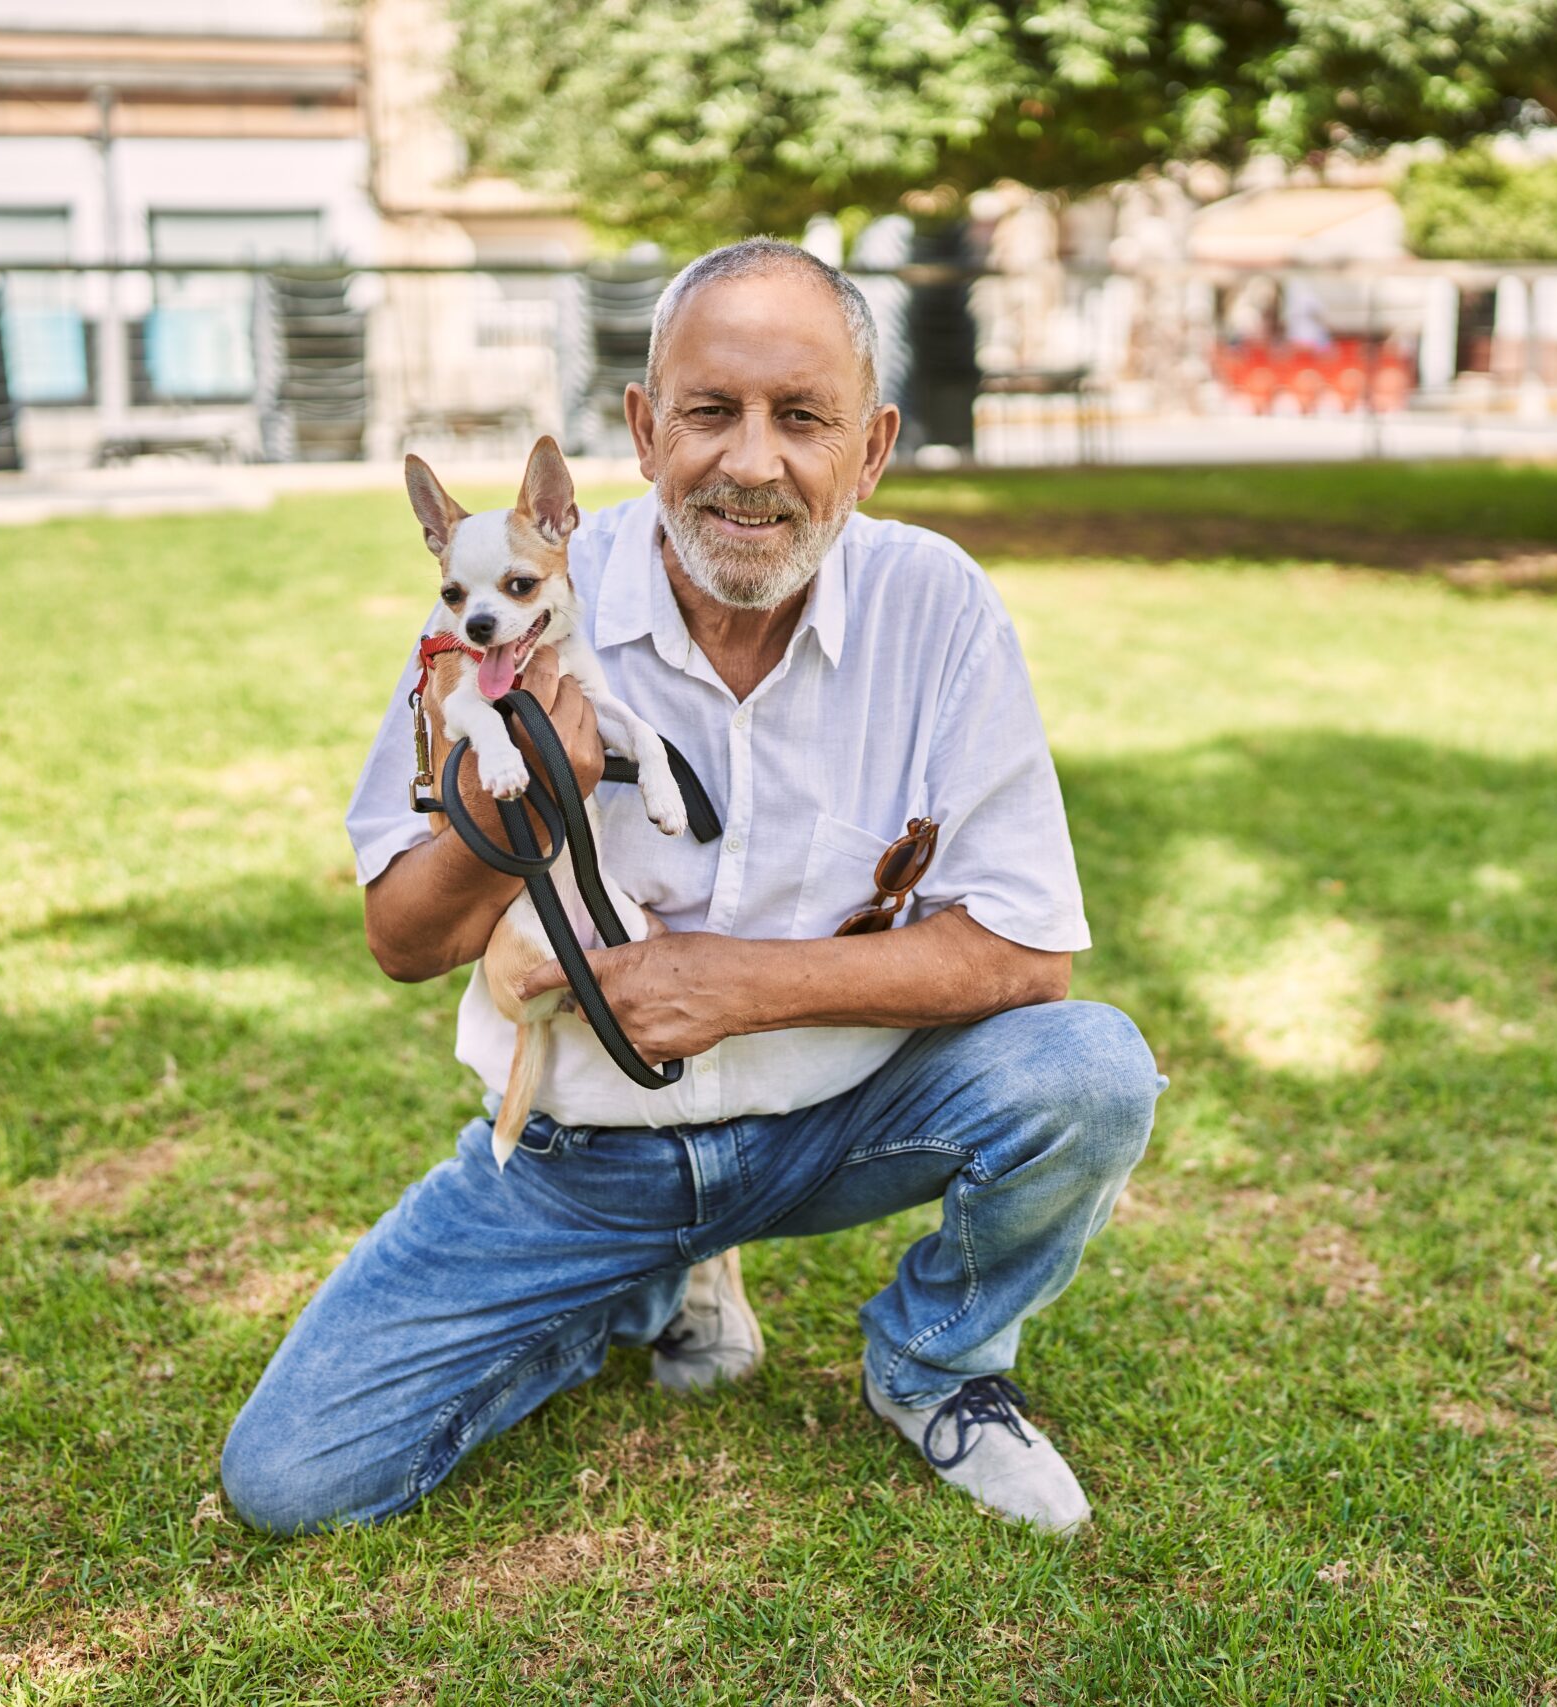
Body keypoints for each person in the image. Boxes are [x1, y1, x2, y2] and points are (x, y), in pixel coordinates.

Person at [220, 238, 1162, 1538]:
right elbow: (398, 936)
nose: (752, 462)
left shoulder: (936, 605)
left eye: (804, 417)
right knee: (293, 1481)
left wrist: (724, 986)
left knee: (1090, 1068)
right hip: (582, 1151)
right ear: (646, 429)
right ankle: (640, 1282)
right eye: (711, 413)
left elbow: (1026, 957)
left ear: (873, 447)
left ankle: (937, 1360)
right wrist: (505, 812)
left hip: (837, 1124)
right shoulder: (508, 598)